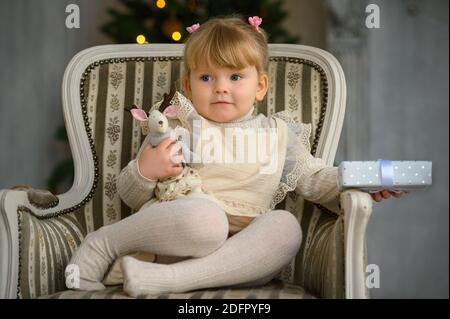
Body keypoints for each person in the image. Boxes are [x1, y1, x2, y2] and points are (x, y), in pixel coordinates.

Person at [66, 15, 403, 297]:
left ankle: (161, 281)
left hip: (238, 259)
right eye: (207, 77)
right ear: (189, 84)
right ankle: (104, 244)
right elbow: (129, 194)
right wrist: (145, 169)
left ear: (260, 86)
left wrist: (363, 179)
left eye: (236, 76)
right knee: (207, 220)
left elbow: (316, 179)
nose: (221, 87)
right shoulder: (179, 126)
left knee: (286, 227)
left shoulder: (277, 135)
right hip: (181, 236)